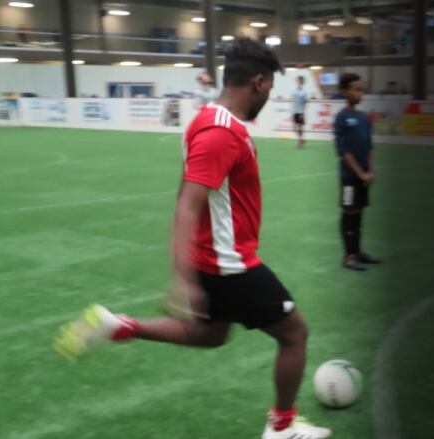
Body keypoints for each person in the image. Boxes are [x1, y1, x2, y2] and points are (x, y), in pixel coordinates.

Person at [54, 37, 331, 439]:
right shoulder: (222, 133)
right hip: (229, 263)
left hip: (212, 258)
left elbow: (189, 195)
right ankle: (282, 427)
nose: (268, 97)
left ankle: (118, 326)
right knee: (295, 335)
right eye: (269, 88)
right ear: (257, 82)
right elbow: (188, 203)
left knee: (211, 334)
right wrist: (180, 278)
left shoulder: (207, 119)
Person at [334, 73, 381, 271]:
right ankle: (349, 256)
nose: (359, 93)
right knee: (349, 212)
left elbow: (369, 146)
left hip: (363, 176)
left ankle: (358, 252)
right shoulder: (342, 117)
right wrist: (359, 173)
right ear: (345, 92)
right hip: (349, 178)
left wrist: (370, 170)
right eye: (355, 89)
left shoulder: (363, 117)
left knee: (359, 213)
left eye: (361, 89)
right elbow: (343, 151)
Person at [291, 76, 308, 147]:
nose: (299, 82)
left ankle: (300, 141)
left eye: (301, 81)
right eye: (298, 81)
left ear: (303, 82)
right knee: (294, 127)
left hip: (300, 112)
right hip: (294, 111)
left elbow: (305, 103)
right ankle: (301, 139)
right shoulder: (294, 91)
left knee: (300, 127)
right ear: (297, 81)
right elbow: (293, 102)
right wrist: (292, 112)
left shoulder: (304, 92)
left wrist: (302, 113)